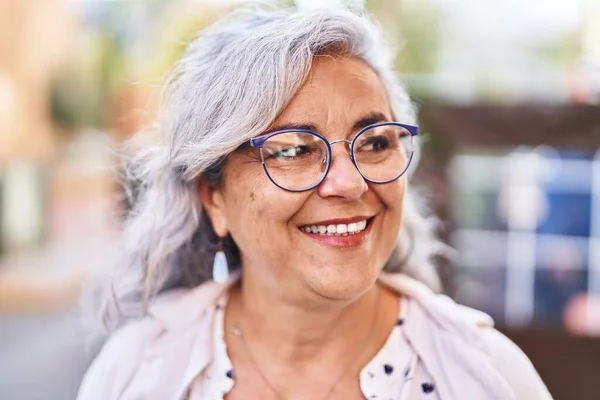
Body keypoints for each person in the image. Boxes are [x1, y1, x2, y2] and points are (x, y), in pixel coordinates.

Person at [77, 7, 553, 400]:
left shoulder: (488, 377)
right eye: (293, 149)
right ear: (213, 196)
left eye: (374, 142)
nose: (349, 183)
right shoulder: (137, 372)